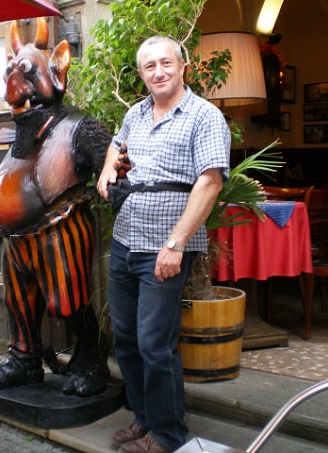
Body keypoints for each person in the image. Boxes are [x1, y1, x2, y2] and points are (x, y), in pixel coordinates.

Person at [96, 37, 230, 453]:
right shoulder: (135, 113)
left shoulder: (204, 116)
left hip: (165, 246)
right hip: (126, 240)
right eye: (150, 66)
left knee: (155, 343)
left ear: (182, 67)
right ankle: (144, 419)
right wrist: (107, 170)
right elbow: (116, 144)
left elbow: (210, 183)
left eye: (166, 63)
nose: (159, 72)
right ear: (141, 74)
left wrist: (176, 243)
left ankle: (168, 434)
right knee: (125, 339)